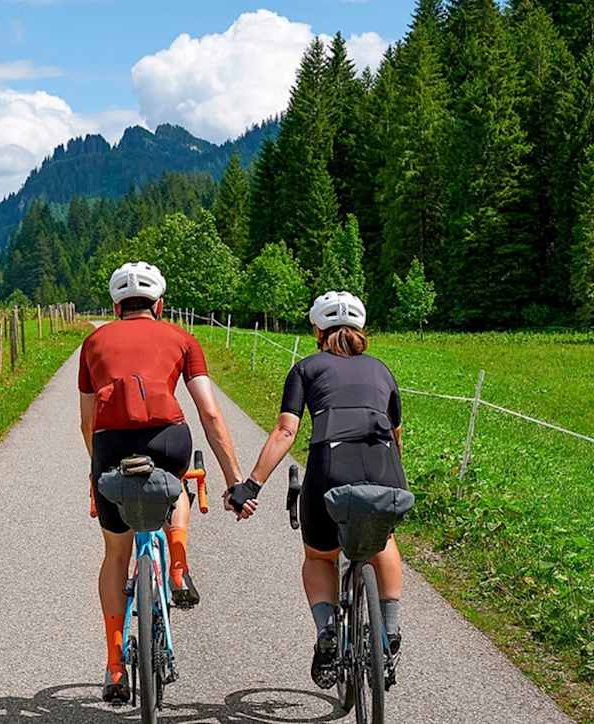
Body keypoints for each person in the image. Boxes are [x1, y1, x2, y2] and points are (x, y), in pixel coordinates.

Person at [78, 261, 250, 703]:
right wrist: (234, 481)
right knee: (175, 484)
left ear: (116, 306)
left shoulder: (93, 341)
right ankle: (177, 566)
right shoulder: (182, 338)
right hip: (168, 440)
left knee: (116, 553)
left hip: (111, 447)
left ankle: (115, 667)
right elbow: (210, 413)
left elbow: (87, 422)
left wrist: (98, 472)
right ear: (160, 303)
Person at [228, 290, 407, 687]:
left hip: (329, 469)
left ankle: (327, 634)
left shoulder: (306, 368)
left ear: (317, 330)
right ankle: (390, 635)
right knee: (384, 542)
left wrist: (251, 485)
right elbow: (396, 435)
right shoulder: (382, 371)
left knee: (319, 556)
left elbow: (286, 430)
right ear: (362, 330)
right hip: (384, 469)